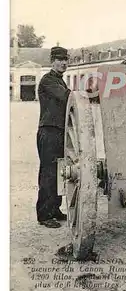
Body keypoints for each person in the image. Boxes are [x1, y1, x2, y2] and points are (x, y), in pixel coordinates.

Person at [36, 46, 71, 228]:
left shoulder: (59, 81)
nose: (63, 63)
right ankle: (44, 214)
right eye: (59, 59)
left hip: (58, 132)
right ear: (52, 61)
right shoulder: (48, 80)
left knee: (59, 172)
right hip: (49, 131)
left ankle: (54, 209)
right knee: (49, 173)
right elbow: (66, 97)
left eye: (66, 60)